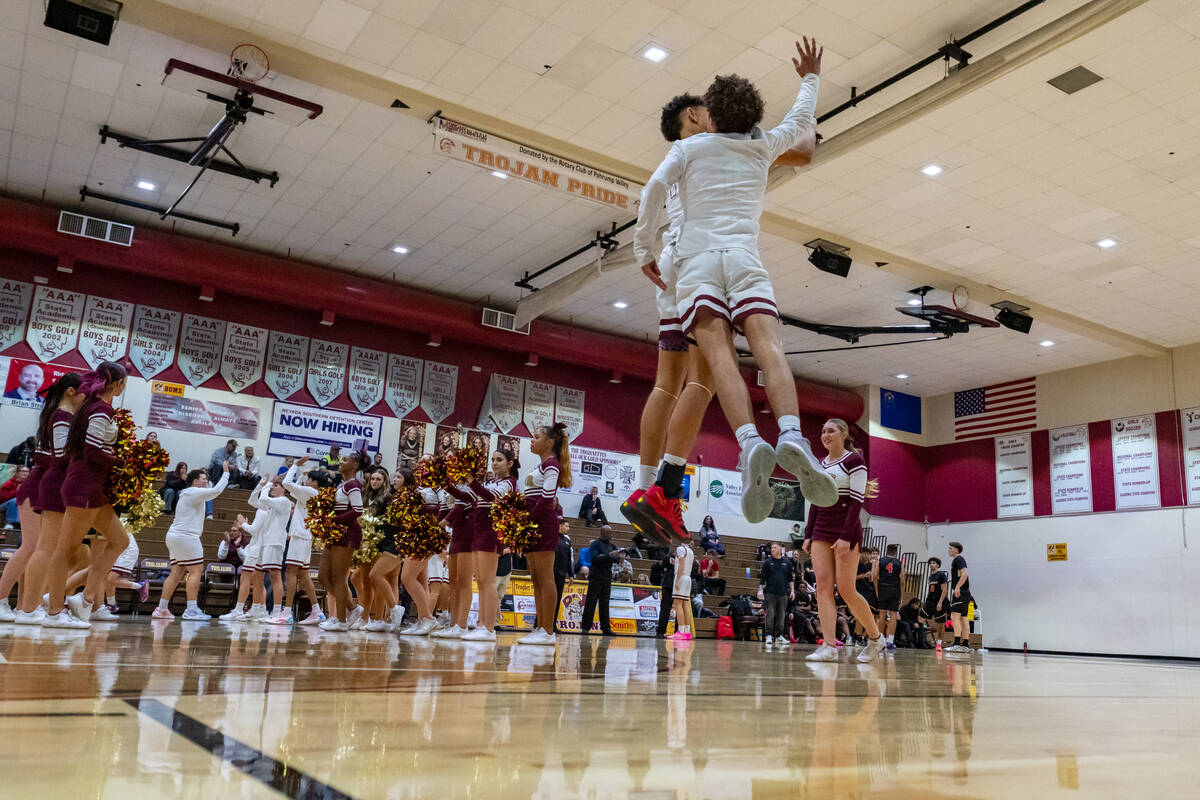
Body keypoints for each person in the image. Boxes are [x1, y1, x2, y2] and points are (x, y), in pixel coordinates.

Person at [632, 38, 837, 531]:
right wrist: (809, 78)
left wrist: (642, 247)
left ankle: (725, 457)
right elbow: (802, 136)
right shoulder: (756, 145)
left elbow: (653, 190)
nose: (701, 112)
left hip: (690, 262)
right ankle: (789, 433)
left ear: (713, 115)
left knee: (701, 371)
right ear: (690, 120)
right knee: (762, 352)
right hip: (733, 257)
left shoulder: (691, 149)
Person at [51, 362, 131, 629]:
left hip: (94, 486)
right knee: (66, 549)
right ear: (118, 383)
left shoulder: (96, 407)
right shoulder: (101, 408)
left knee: (119, 541)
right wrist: (122, 463)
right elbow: (91, 451)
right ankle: (54, 609)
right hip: (84, 484)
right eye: (124, 382)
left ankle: (85, 600)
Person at [0, 373, 82, 625]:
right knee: (31, 548)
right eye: (84, 392)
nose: (86, 398)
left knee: (37, 549)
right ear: (71, 391)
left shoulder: (59, 415)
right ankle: (2, 600)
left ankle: (28, 604)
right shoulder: (61, 416)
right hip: (36, 487)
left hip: (41, 486)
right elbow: (61, 457)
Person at [803, 418, 885, 663]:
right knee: (823, 586)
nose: (825, 435)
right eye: (823, 430)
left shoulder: (854, 461)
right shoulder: (819, 464)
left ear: (843, 434)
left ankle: (875, 638)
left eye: (831, 431)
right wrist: (808, 534)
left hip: (846, 529)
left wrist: (845, 536)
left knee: (847, 590)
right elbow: (816, 500)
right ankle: (828, 645)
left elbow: (857, 502)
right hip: (820, 528)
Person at [516, 424, 572, 646]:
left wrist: (526, 519)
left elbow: (547, 499)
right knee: (536, 578)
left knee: (546, 577)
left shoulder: (552, 465)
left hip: (542, 524)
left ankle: (548, 631)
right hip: (532, 523)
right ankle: (540, 627)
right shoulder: (541, 466)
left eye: (536, 437)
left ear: (549, 442)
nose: (532, 440)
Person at [154, 463, 231, 620]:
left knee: (175, 573)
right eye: (204, 478)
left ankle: (161, 609)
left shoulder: (188, 493)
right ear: (195, 481)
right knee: (196, 571)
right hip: (186, 536)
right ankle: (191, 610)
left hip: (174, 536)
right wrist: (226, 473)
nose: (206, 481)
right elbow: (216, 491)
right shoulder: (194, 491)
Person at [318, 449, 367, 632]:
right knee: (323, 576)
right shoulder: (342, 484)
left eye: (344, 460)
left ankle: (341, 620)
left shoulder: (353, 484)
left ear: (354, 465)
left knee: (339, 578)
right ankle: (352, 608)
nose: (340, 462)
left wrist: (334, 520)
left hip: (347, 533)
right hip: (334, 532)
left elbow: (358, 510)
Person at [275, 456, 325, 627]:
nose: (307, 481)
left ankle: (287, 612)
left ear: (314, 482)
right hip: (305, 536)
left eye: (309, 479)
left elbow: (287, 484)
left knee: (291, 572)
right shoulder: (314, 493)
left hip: (299, 536)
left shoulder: (310, 492)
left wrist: (296, 466)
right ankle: (317, 611)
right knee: (303, 576)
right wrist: (304, 474)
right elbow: (298, 488)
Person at [580, 520, 621, 636]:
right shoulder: (595, 544)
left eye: (611, 533)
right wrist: (609, 555)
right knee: (590, 602)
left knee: (605, 602)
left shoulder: (612, 545)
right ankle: (586, 627)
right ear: (603, 533)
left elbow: (616, 560)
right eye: (609, 533)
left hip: (607, 576)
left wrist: (619, 556)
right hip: (596, 576)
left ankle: (606, 628)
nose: (611, 535)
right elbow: (594, 559)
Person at [758, 542, 794, 648]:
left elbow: (790, 579)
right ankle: (769, 635)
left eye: (774, 548)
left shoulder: (787, 563)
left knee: (781, 615)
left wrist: (792, 591)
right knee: (770, 614)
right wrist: (760, 590)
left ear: (780, 549)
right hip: (770, 593)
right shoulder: (767, 562)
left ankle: (779, 635)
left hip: (783, 594)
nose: (772, 549)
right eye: (772, 548)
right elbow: (762, 577)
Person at [876, 543, 905, 650]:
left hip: (882, 589)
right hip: (895, 590)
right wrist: (902, 596)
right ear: (896, 552)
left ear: (886, 550)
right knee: (893, 615)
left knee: (882, 615)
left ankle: (881, 640)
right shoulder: (899, 563)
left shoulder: (881, 561)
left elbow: (875, 576)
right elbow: (902, 581)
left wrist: (876, 590)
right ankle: (890, 641)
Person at [948, 542, 974, 653]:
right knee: (963, 618)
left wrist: (957, 587)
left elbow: (965, 574)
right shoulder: (958, 560)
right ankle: (965, 645)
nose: (948, 550)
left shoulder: (958, 559)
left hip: (961, 593)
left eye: (950, 548)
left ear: (956, 550)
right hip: (965, 593)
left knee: (955, 616)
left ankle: (957, 643)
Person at [666, 541, 695, 640]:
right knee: (686, 604)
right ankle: (687, 632)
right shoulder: (690, 551)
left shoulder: (680, 549)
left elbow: (682, 565)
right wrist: (675, 563)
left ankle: (681, 631)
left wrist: (677, 580)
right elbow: (683, 564)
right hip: (688, 578)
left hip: (681, 577)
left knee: (678, 604)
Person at [922, 556, 949, 647]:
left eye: (933, 563)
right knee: (920, 617)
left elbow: (944, 590)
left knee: (940, 624)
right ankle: (922, 638)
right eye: (930, 563)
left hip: (940, 602)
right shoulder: (930, 577)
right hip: (930, 602)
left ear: (938, 565)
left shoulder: (941, 575)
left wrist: (940, 602)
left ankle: (939, 643)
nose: (931, 565)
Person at [552, 518, 572, 623]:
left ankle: (553, 625)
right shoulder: (552, 538)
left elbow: (569, 558)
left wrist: (571, 574)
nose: (568, 528)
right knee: (548, 599)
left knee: (558, 599)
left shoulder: (567, 541)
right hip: (551, 573)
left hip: (562, 574)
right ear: (560, 525)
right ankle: (540, 623)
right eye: (567, 526)